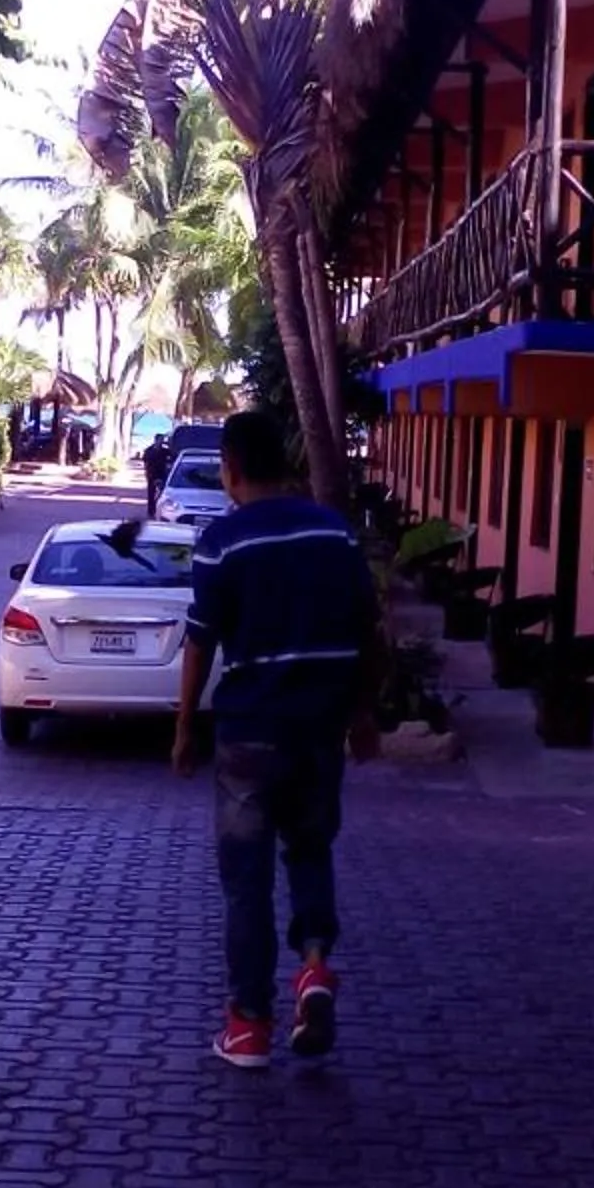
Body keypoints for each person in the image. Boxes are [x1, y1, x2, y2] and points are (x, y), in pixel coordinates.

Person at [173, 409, 381, 1068]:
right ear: (288, 461)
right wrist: (364, 714)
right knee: (311, 852)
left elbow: (199, 645)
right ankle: (315, 968)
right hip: (319, 729)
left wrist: (184, 730)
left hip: (248, 737)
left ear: (231, 468)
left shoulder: (224, 541)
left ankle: (249, 1027)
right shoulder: (335, 534)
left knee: (246, 884)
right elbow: (372, 632)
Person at [142, 429, 172, 518]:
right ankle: (151, 512)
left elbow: (172, 456)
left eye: (162, 440)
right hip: (151, 475)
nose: (161, 442)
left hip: (162, 474)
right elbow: (145, 460)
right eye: (160, 440)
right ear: (155, 440)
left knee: (162, 494)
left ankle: (158, 509)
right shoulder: (149, 450)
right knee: (151, 494)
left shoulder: (165, 451)